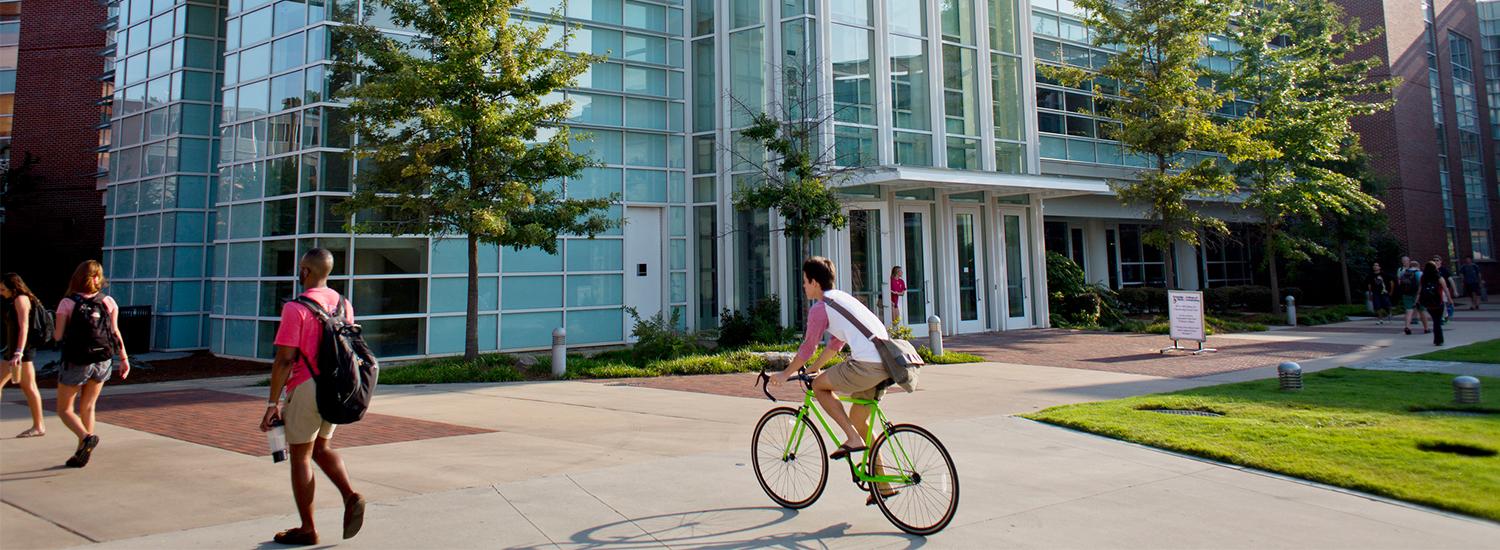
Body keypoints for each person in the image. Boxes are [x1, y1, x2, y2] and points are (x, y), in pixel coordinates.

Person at [772, 256, 898, 504]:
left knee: (819, 387)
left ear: (815, 282)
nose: (804, 287)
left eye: (805, 282)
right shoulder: (840, 298)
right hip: (887, 362)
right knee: (860, 420)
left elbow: (807, 347)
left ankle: (851, 439)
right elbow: (836, 344)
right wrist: (814, 369)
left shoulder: (820, 308)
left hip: (867, 365)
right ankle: (882, 484)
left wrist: (785, 374)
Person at [260, 248, 365, 545]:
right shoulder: (344, 304)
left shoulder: (296, 308)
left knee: (301, 457)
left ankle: (308, 529)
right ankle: (350, 495)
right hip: (336, 387)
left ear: (305, 271)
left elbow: (284, 359)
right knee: (322, 447)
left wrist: (272, 404)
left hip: (306, 386)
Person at [53, 260, 129, 467]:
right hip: (103, 359)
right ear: (99, 279)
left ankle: (86, 438)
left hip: (77, 360)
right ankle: (82, 451)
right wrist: (123, 358)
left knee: (64, 409)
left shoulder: (67, 303)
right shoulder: (108, 301)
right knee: (88, 406)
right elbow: (115, 332)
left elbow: (58, 336)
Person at [1, 273, 46, 438]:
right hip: (16, 352)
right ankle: (39, 426)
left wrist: (19, 352)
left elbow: (24, 327)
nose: (1, 292)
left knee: (30, 387)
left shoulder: (21, 300)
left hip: (20, 352)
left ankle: (39, 426)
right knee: (29, 387)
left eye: (3, 288)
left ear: (13, 288)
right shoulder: (19, 299)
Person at [1418, 261, 1450, 346]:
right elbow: (1445, 289)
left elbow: (1420, 290)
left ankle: (1437, 339)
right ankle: (1439, 340)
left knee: (1435, 320)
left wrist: (1417, 300)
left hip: (1428, 303)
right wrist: (1450, 299)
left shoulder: (1423, 278)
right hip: (1438, 301)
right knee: (1437, 321)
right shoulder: (1439, 277)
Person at [1397, 260, 1428, 335]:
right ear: (1418, 266)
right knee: (1422, 310)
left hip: (1406, 294)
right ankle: (1426, 328)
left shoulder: (1403, 273)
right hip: (1418, 294)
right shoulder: (1419, 273)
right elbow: (1423, 285)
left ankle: (1407, 326)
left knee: (1408, 310)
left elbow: (1400, 283)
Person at [1433, 255, 1455, 323]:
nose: (1436, 262)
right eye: (1434, 260)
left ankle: (1444, 317)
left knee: (1443, 303)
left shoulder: (1444, 270)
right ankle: (1443, 316)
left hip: (1443, 290)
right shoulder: (1432, 270)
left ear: (1440, 261)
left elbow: (1450, 280)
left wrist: (1455, 290)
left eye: (1437, 260)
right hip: (1435, 290)